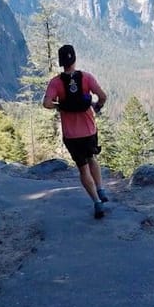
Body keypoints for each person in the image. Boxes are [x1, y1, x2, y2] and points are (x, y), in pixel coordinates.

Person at [42, 44, 111, 218]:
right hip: (89, 130)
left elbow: (46, 103)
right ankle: (101, 189)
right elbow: (102, 96)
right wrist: (97, 106)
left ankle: (96, 202)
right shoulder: (86, 78)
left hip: (71, 136)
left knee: (83, 168)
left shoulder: (56, 83)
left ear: (61, 62)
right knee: (92, 158)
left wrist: (60, 105)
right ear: (74, 59)